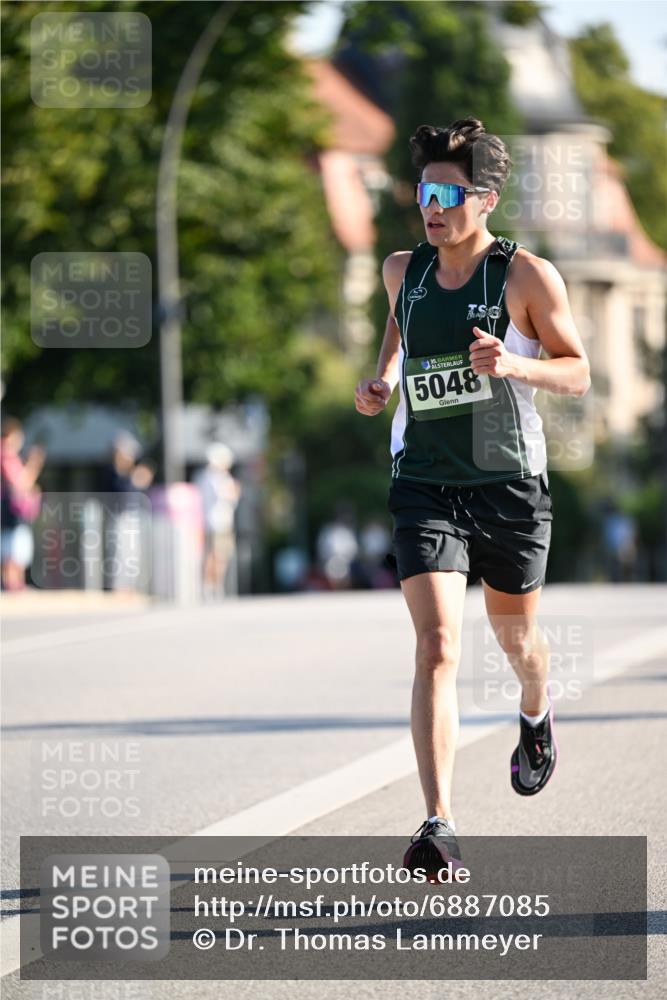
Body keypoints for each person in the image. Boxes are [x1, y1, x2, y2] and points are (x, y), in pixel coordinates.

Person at [354, 119, 590, 878]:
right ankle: (439, 822)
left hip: (507, 483)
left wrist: (513, 368)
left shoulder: (525, 277)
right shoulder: (401, 270)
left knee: (515, 643)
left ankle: (534, 707)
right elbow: (399, 332)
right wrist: (383, 379)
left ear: (484, 200)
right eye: (422, 191)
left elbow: (577, 372)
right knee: (436, 646)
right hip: (423, 479)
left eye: (446, 194)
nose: (430, 206)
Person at [0, 416, 44, 591]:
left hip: (13, 508)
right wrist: (34, 465)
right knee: (12, 544)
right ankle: (12, 583)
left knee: (16, 544)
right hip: (9, 508)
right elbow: (20, 483)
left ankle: (15, 582)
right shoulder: (5, 456)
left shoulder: (10, 457)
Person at [193, 443, 241, 599]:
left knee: (213, 555)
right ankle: (213, 586)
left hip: (208, 521)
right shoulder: (217, 478)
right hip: (219, 522)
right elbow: (229, 496)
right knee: (218, 556)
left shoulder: (201, 477)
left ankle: (210, 586)